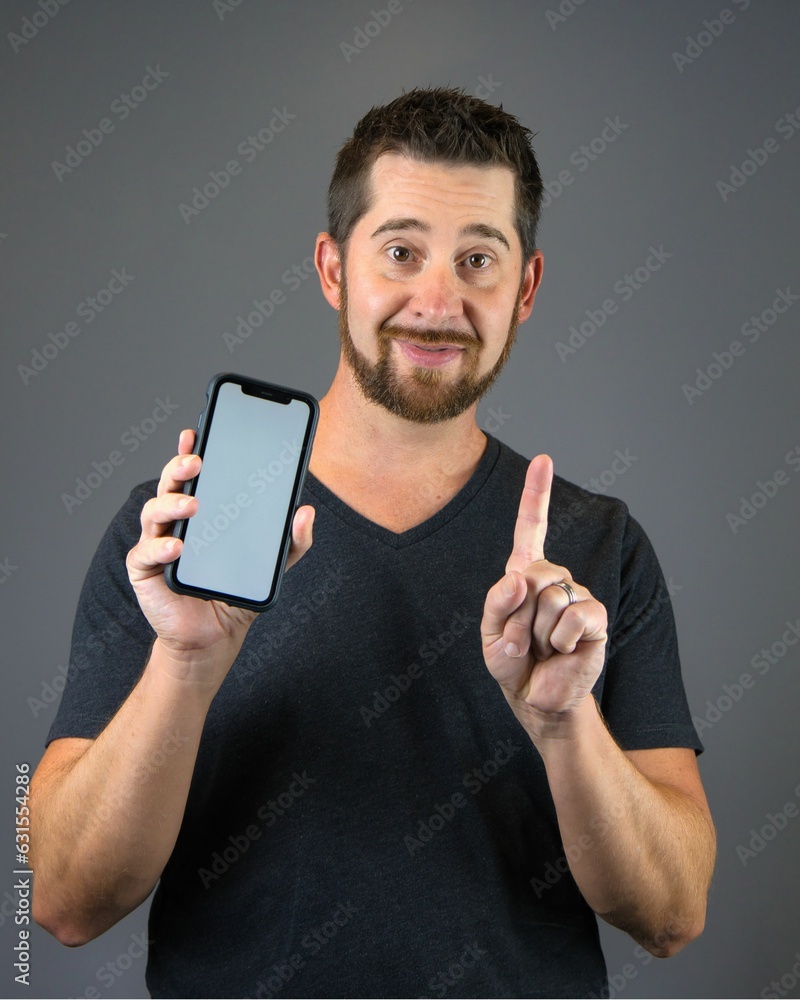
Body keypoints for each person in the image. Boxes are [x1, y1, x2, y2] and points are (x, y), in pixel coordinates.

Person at [29, 87, 715, 998]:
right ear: (333, 269)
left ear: (528, 288)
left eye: (479, 260)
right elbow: (64, 902)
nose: (438, 300)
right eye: (401, 252)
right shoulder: (181, 533)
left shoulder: (596, 551)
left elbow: (671, 917)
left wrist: (565, 726)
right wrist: (185, 665)